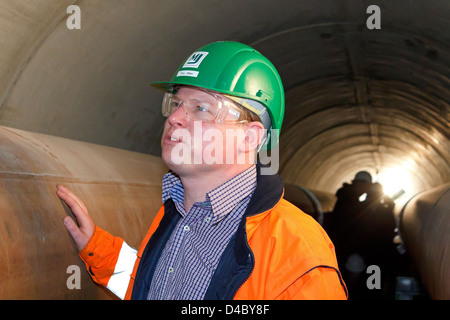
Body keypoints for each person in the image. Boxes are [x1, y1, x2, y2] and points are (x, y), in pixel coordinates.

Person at [57, 41, 347, 300]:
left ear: (250, 137)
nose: (175, 117)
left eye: (201, 108)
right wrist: (98, 248)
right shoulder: (177, 212)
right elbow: (155, 288)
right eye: (176, 103)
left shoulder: (297, 256)